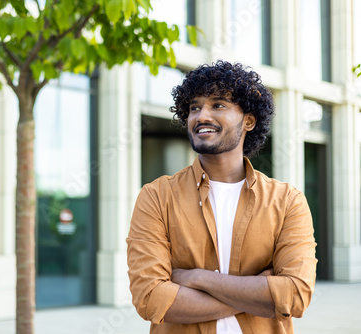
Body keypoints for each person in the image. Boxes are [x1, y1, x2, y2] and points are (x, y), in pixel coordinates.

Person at [126, 60, 317, 333]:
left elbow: (296, 296)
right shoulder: (156, 197)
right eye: (194, 107)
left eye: (218, 105)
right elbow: (151, 300)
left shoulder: (287, 201)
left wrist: (197, 278)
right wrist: (261, 292)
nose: (202, 116)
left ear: (248, 120)